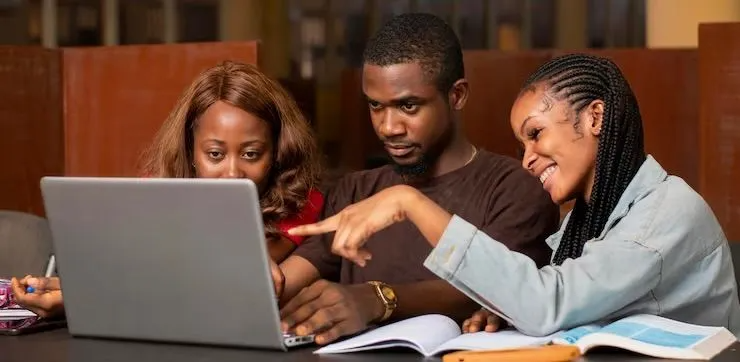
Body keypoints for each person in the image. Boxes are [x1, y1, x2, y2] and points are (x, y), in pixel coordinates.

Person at [289, 53, 740, 337]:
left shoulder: (665, 214)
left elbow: (550, 303)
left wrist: (409, 203)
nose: (527, 159)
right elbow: (563, 305)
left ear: (595, 117)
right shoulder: (587, 220)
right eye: (521, 144)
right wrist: (509, 311)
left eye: (536, 134)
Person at [276, 13, 559, 345]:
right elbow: (285, 281)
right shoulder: (355, 190)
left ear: (457, 96)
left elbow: (496, 287)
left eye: (408, 106)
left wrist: (375, 299)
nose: (388, 127)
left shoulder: (514, 189)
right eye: (376, 106)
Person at [11, 61, 322, 318]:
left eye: (251, 154)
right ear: (190, 152)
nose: (232, 173)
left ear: (277, 153)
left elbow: (216, 281)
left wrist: (84, 295)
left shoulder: (303, 204)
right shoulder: (155, 192)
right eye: (215, 154)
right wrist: (69, 290)